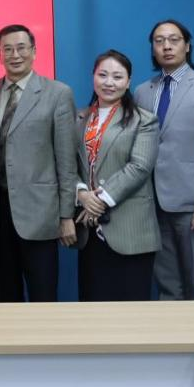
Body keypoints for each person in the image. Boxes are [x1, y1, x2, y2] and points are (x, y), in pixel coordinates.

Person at [0, 24, 77, 303]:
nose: (15, 55)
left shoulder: (57, 93)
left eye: (21, 48)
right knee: (4, 295)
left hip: (40, 213)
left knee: (43, 295)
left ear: (34, 51)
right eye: (7, 49)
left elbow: (66, 159)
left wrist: (66, 215)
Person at [133, 20, 194, 301]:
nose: (167, 46)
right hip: (152, 203)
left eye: (174, 40)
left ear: (187, 46)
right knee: (168, 285)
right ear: (152, 48)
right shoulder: (142, 91)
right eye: (159, 41)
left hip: (192, 203)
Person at [75, 49, 160, 302]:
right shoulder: (78, 118)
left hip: (130, 229)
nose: (109, 82)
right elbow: (67, 165)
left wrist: (99, 200)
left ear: (128, 81)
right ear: (93, 76)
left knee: (131, 309)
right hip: (89, 231)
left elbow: (140, 166)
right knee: (92, 306)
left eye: (117, 76)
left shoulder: (143, 120)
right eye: (103, 75)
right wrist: (81, 194)